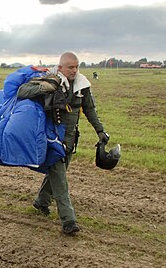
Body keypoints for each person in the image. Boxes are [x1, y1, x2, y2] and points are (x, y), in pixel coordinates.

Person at [17, 52, 110, 235]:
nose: (74, 70)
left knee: (57, 173)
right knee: (60, 181)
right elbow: (22, 92)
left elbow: (89, 109)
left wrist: (100, 130)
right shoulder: (50, 79)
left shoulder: (82, 86)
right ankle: (69, 221)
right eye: (70, 67)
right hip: (52, 139)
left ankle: (41, 203)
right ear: (60, 68)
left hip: (70, 139)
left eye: (76, 66)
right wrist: (45, 87)